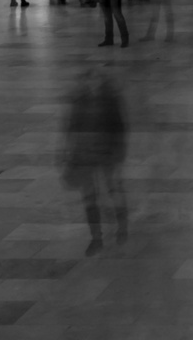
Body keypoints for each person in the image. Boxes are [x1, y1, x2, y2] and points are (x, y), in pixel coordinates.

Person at [62, 74, 128, 256]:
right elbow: (70, 127)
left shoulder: (109, 99)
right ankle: (96, 237)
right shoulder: (79, 100)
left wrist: (119, 152)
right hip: (85, 155)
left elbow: (119, 127)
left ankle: (121, 227)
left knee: (112, 190)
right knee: (90, 197)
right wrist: (66, 151)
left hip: (106, 154)